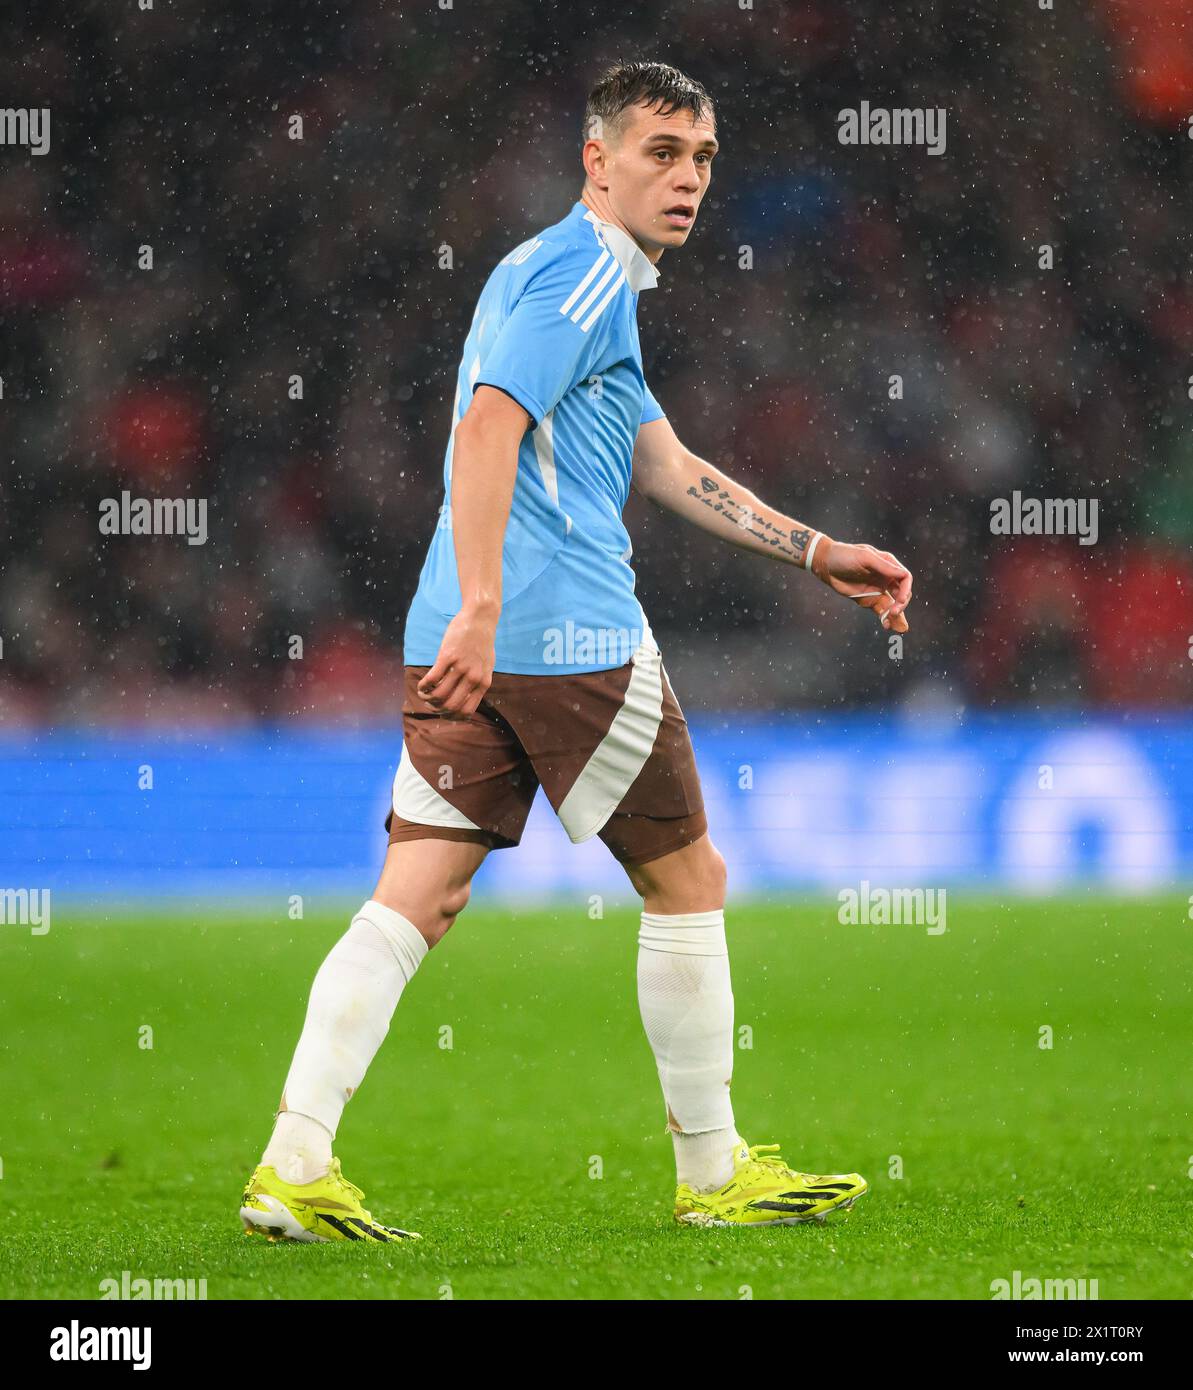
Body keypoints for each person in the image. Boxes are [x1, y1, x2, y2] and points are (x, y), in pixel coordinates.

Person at [240, 60, 912, 1243]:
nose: (687, 178)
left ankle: (292, 1160)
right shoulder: (585, 273)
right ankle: (711, 1173)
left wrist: (815, 552)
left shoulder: (561, 273)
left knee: (418, 894)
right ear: (595, 162)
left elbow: (662, 465)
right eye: (659, 152)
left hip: (464, 636)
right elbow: (487, 422)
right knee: (687, 880)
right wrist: (492, 604)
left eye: (701, 157)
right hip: (565, 637)